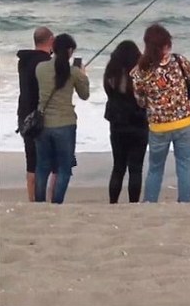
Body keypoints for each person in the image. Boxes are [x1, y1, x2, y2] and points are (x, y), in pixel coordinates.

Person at [131, 24, 190, 203]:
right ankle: (185, 203)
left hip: (158, 126)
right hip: (184, 123)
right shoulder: (179, 61)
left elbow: (140, 101)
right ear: (166, 45)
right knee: (184, 166)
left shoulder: (139, 71)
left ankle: (150, 203)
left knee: (155, 169)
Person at [34, 34, 90, 204]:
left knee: (42, 167)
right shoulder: (73, 72)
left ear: (54, 48)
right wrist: (83, 75)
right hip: (65, 124)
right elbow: (85, 95)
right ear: (70, 51)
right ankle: (57, 204)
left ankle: (39, 204)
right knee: (64, 168)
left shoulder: (40, 68)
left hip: (42, 125)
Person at [103, 40, 148, 204]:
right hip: (139, 123)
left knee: (118, 167)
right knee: (136, 168)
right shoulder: (142, 72)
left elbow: (109, 93)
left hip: (117, 123)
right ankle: (133, 203)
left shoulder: (111, 72)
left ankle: (113, 202)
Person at [16, 27, 58, 202]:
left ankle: (31, 200)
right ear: (51, 40)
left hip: (24, 115)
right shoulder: (47, 63)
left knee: (31, 161)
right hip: (42, 116)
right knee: (54, 162)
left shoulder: (23, 61)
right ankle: (51, 198)